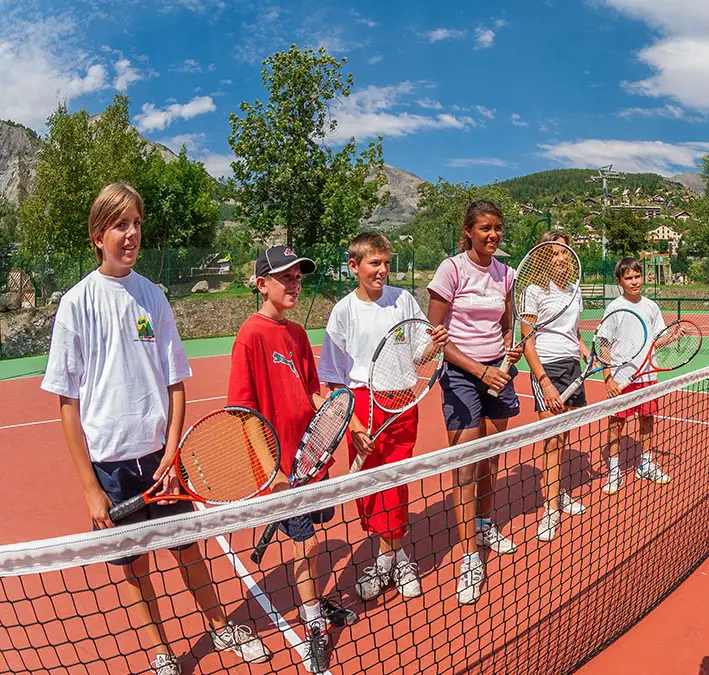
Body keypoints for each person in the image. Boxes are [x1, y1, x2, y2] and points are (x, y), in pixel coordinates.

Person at [41, 183, 270, 675]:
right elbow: (67, 402)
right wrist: (89, 488)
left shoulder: (153, 298)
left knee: (189, 553)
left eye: (137, 224)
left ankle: (219, 626)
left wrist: (171, 454)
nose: (132, 234)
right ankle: (162, 651)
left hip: (162, 461)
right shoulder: (77, 304)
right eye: (121, 225)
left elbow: (175, 385)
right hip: (110, 467)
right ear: (98, 235)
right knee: (137, 569)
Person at [227, 245, 356, 671]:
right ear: (262, 284)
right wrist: (275, 474)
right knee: (309, 543)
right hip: (281, 469)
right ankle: (313, 623)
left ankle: (312, 601)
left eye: (298, 277)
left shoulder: (298, 335)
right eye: (286, 277)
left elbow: (312, 392)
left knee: (314, 539)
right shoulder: (250, 335)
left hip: (311, 461)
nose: (295, 284)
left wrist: (344, 418)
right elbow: (244, 413)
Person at [317, 232, 447, 602]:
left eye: (387, 263)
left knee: (394, 480)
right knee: (367, 486)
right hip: (360, 405)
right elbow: (332, 377)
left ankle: (393, 558)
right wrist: (353, 423)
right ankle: (390, 555)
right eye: (375, 263)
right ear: (354, 266)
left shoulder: (403, 299)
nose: (382, 270)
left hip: (402, 401)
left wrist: (434, 343)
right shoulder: (343, 311)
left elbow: (421, 356)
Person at [425, 200, 524, 605]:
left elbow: (506, 324)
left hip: (498, 372)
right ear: (468, 230)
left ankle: (483, 523)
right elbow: (437, 337)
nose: (493, 235)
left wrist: (507, 350)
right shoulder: (450, 270)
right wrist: (480, 371)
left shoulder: (508, 274)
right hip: (462, 374)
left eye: (498, 228)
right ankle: (469, 557)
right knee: (465, 466)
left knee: (490, 458)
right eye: (485, 228)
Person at [521, 230, 589, 542]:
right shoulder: (532, 291)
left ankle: (559, 492)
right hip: (546, 368)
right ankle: (550, 510)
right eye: (555, 253)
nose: (561, 258)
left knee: (563, 438)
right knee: (550, 441)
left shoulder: (575, 289)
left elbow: (572, 329)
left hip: (572, 366)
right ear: (544, 257)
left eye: (565, 252)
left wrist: (583, 346)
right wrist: (544, 382)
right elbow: (527, 342)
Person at [600, 257, 671, 495]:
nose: (634, 282)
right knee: (616, 425)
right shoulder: (614, 308)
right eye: (628, 278)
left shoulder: (651, 307)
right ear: (619, 281)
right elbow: (604, 344)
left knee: (647, 422)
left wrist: (674, 336)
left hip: (647, 376)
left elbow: (656, 340)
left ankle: (647, 464)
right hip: (621, 378)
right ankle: (614, 470)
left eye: (637, 276)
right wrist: (608, 378)